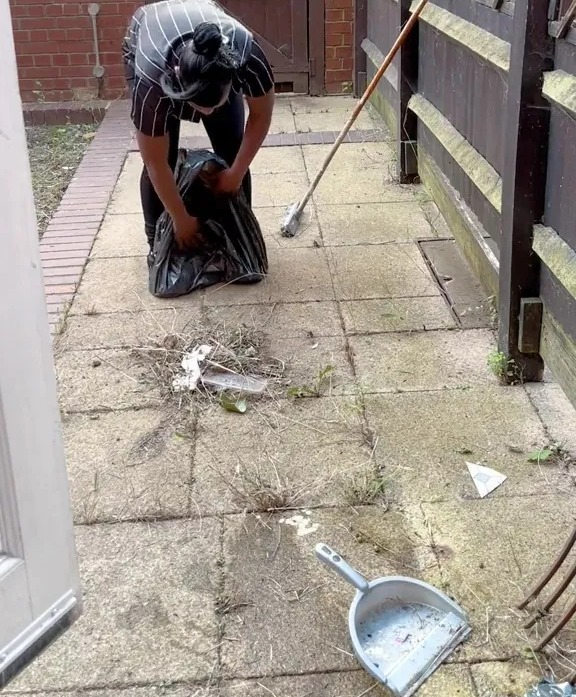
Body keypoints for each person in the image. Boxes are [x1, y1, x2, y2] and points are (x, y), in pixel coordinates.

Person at [122, 0, 275, 253]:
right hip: (150, 36)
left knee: (232, 149)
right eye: (200, 105)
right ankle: (156, 244)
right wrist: (181, 220)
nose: (208, 114)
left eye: (215, 104)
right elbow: (155, 162)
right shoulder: (152, 79)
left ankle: (239, 238)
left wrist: (235, 173)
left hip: (209, 48)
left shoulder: (247, 56)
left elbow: (261, 115)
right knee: (166, 159)